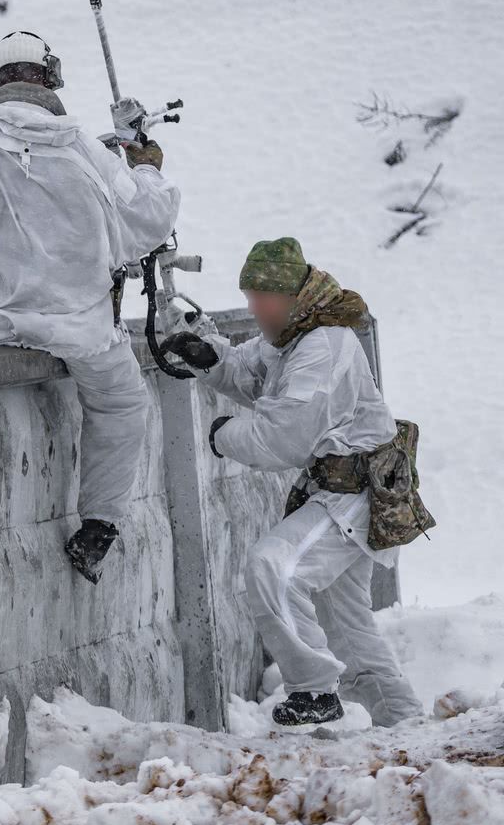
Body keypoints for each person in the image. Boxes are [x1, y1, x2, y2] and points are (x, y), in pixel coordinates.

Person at [0, 30, 180, 583]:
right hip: (81, 329)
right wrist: (145, 163)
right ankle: (98, 523)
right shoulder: (86, 149)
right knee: (122, 404)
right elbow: (149, 221)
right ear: (50, 79)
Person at [160, 237, 425, 727]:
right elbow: (250, 374)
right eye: (249, 296)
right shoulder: (291, 336)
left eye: (261, 298)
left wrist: (224, 436)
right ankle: (406, 726)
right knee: (346, 631)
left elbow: (282, 437)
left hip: (354, 494)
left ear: (290, 297)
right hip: (338, 491)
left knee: (274, 569)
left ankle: (313, 694)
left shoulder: (323, 346)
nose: (253, 307)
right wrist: (209, 356)